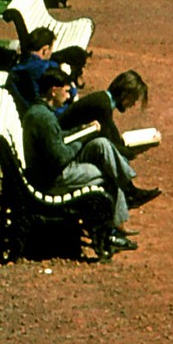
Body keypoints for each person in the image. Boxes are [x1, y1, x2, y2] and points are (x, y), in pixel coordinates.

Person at [21, 66, 137, 256]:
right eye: (66, 91)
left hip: (50, 170)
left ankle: (128, 189)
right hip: (53, 179)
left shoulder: (41, 113)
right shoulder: (43, 118)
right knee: (106, 172)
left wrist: (82, 129)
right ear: (53, 90)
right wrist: (81, 140)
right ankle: (110, 232)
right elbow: (60, 157)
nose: (68, 97)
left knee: (100, 143)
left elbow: (58, 139)